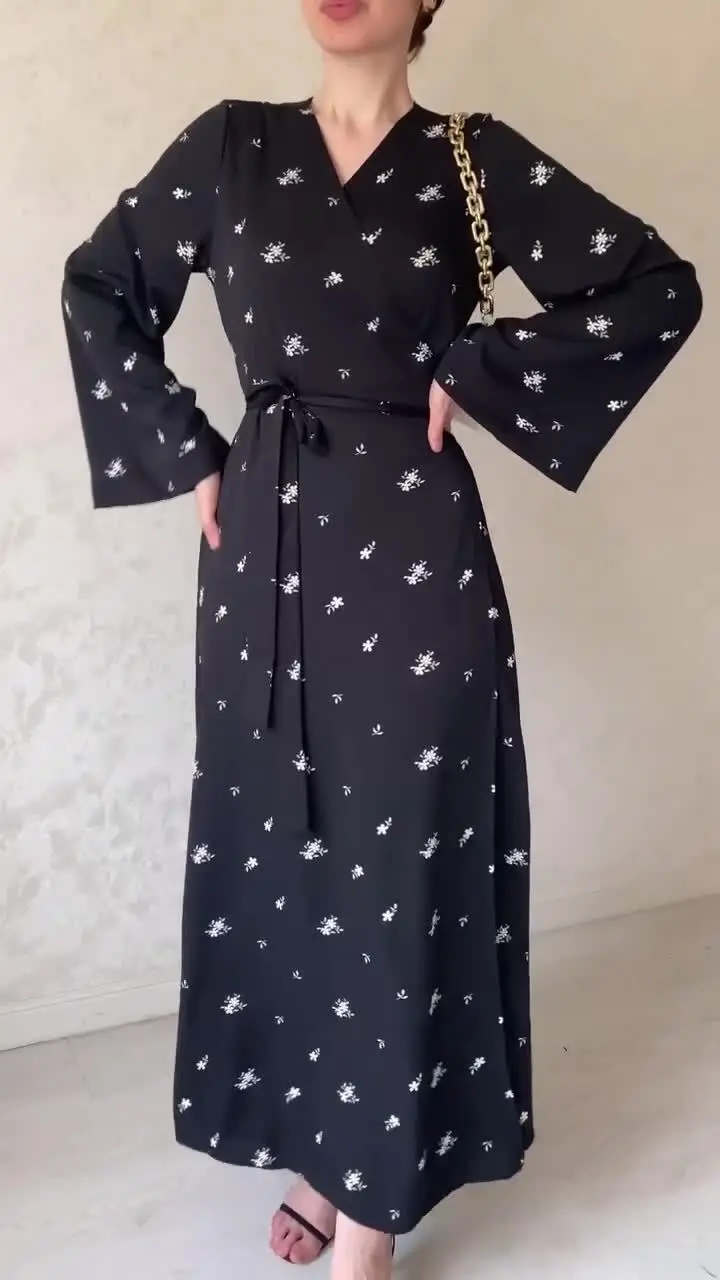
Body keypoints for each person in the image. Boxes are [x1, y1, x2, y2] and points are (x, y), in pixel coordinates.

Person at [61, 0, 702, 1276]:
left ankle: (374, 1205)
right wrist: (188, 450)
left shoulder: (474, 158)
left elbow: (656, 288)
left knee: (402, 858)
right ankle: (325, 1139)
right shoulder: (231, 147)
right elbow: (98, 286)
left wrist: (479, 366)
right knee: (289, 851)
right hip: (264, 556)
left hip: (416, 560)